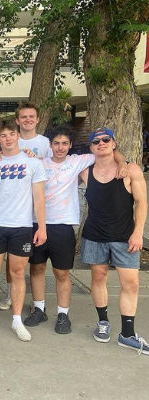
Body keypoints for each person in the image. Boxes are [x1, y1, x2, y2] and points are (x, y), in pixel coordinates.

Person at [24, 125, 126, 334]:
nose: (60, 148)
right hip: (37, 223)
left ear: (70, 145)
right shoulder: (38, 163)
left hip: (63, 225)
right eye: (56, 143)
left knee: (61, 273)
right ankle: (39, 308)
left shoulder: (78, 161)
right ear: (50, 145)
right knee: (36, 269)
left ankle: (63, 314)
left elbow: (109, 150)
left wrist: (123, 162)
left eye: (64, 144)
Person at [79, 127, 148, 354]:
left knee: (131, 284)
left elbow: (141, 203)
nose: (101, 143)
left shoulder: (131, 170)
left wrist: (138, 232)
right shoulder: (85, 172)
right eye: (96, 141)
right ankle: (103, 322)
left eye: (106, 139)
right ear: (91, 147)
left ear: (114, 143)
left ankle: (127, 334)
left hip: (124, 237)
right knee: (98, 278)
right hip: (95, 235)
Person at [0, 119, 46, 342]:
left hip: (22, 227)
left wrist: (41, 227)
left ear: (18, 136)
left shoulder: (33, 163)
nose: (8, 139)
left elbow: (39, 198)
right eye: (3, 136)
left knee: (17, 274)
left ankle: (17, 320)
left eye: (11, 134)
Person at [0, 102, 53, 312]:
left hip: (38, 211)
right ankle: (12, 295)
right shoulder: (6, 144)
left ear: (37, 119)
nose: (28, 120)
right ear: (18, 121)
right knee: (11, 261)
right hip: (11, 213)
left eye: (32, 116)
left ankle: (38, 305)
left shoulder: (46, 143)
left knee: (35, 264)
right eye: (24, 117)